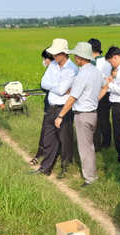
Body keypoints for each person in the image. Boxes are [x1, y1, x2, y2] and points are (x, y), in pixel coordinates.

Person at [53, 42, 107, 187]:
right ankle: (91, 173)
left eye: (76, 55)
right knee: (89, 145)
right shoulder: (95, 71)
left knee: (85, 148)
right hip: (93, 113)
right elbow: (105, 86)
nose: (75, 58)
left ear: (82, 58)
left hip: (83, 115)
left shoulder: (82, 74)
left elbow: (72, 99)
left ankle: (90, 178)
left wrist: (60, 116)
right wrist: (95, 99)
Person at [30, 38, 78, 178]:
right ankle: (45, 167)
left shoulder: (72, 69)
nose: (55, 56)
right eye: (54, 54)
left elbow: (62, 89)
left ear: (65, 53)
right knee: (48, 138)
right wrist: (56, 86)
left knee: (65, 139)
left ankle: (66, 168)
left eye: (57, 54)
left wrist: (55, 86)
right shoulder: (52, 66)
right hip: (50, 107)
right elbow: (44, 83)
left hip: (63, 108)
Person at [29, 49, 55, 166]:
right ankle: (41, 153)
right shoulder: (50, 71)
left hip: (54, 105)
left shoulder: (57, 70)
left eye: (44, 59)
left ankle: (42, 154)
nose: (43, 62)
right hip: (49, 103)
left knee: (47, 130)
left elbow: (44, 86)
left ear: (47, 60)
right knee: (47, 130)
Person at [89, 38, 112, 152]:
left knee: (103, 119)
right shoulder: (92, 61)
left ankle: (106, 143)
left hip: (103, 94)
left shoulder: (104, 63)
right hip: (94, 94)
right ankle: (97, 142)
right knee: (97, 119)